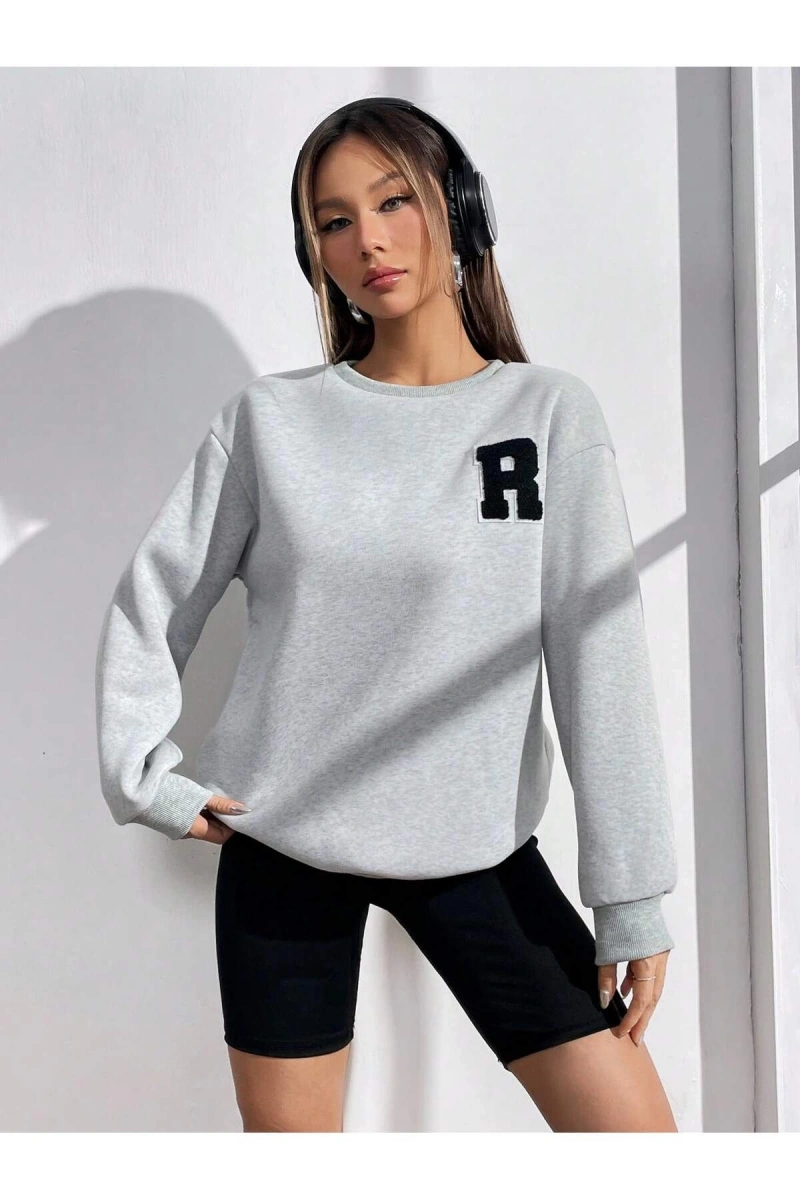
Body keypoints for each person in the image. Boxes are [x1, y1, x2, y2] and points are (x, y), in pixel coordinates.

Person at [94, 97, 679, 1134]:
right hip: (284, 850)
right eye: (333, 221)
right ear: (313, 253)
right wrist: (142, 773)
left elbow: (602, 659)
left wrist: (629, 894)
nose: (367, 239)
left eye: (393, 200)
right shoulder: (270, 423)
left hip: (478, 853)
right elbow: (156, 598)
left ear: (460, 209)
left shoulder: (547, 415)